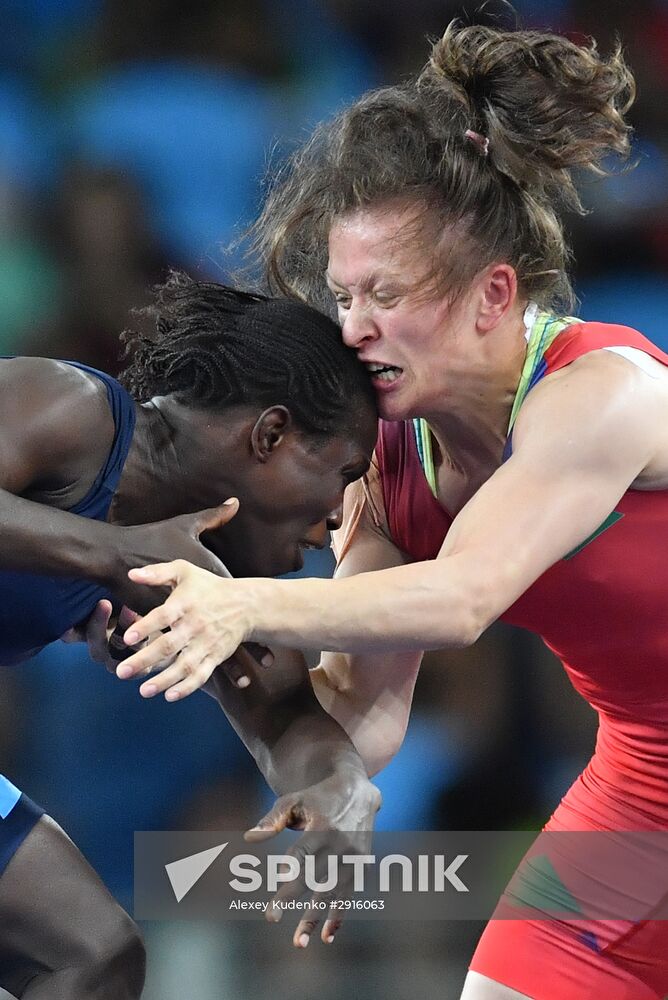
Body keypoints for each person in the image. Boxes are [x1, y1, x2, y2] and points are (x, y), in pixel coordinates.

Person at [117, 22, 668, 1000]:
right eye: (341, 295)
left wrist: (239, 605)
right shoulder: (387, 455)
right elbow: (361, 703)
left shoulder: (603, 392)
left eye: (386, 293)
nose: (354, 327)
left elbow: (460, 599)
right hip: (640, 786)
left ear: (492, 294)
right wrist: (318, 783)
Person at [0, 271, 379, 999]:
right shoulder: (70, 411)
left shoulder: (200, 582)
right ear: (271, 434)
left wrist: (344, 788)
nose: (335, 524)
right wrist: (109, 551)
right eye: (344, 474)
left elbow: (287, 717)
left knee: (93, 956)